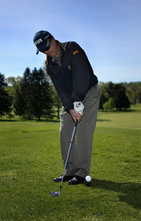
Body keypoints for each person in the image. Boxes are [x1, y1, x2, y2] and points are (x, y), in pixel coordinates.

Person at [33, 30, 100, 185]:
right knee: (65, 131)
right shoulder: (49, 64)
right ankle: (69, 172)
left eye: (47, 47)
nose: (46, 51)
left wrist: (77, 102)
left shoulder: (72, 49)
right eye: (42, 50)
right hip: (70, 98)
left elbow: (81, 76)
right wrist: (70, 108)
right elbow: (60, 89)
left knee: (83, 132)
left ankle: (82, 173)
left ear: (53, 40)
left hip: (88, 92)